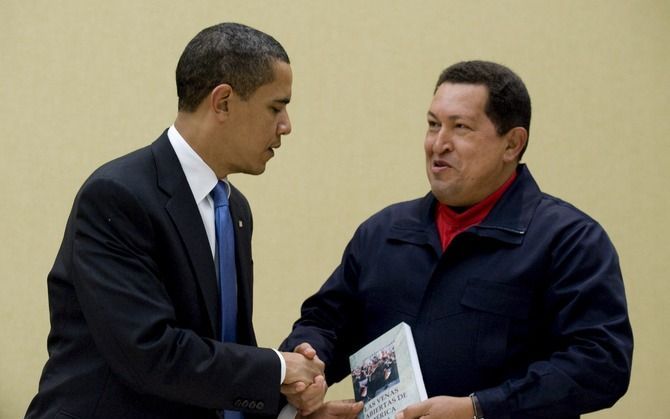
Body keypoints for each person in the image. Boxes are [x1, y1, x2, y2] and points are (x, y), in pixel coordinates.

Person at [281, 61, 633, 419]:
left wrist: (479, 409)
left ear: (512, 143)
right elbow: (325, 321)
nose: (438, 144)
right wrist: (306, 359)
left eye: (460, 127)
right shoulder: (383, 233)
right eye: (433, 125)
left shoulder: (569, 240)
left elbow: (601, 366)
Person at [25, 22, 328, 419]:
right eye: (276, 106)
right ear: (222, 102)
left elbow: (217, 355)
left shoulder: (234, 211)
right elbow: (150, 353)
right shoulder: (117, 196)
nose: (286, 125)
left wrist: (289, 406)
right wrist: (280, 368)